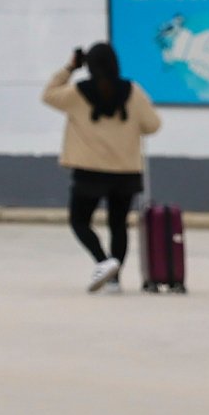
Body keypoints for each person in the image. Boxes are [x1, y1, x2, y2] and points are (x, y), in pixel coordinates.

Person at [43, 43, 161, 291]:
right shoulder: (133, 91)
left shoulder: (76, 93)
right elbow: (152, 125)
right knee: (118, 225)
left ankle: (103, 261)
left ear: (88, 65)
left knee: (79, 221)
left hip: (89, 171)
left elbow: (48, 95)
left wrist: (69, 68)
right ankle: (115, 280)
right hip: (126, 172)